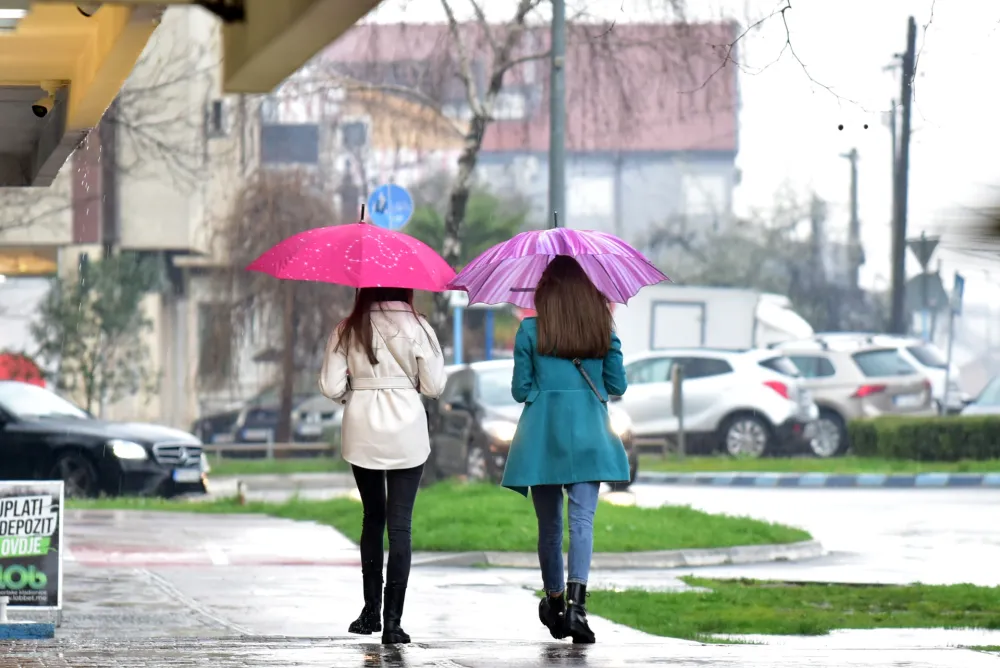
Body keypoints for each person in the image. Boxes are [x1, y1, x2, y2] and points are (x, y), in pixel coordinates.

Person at [501, 255, 630, 645]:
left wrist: (544, 389)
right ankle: (577, 606)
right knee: (583, 522)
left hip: (541, 436)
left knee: (550, 527)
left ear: (545, 292)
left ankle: (554, 602)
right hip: (590, 432)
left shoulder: (529, 331)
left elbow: (521, 390)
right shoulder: (602, 328)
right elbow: (617, 385)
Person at [319, 286, 446, 645]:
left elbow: (330, 385)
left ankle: (370, 610)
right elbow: (434, 385)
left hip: (362, 427)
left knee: (373, 517)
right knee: (400, 525)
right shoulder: (419, 326)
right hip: (407, 427)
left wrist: (355, 393)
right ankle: (393, 623)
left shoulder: (348, 327)